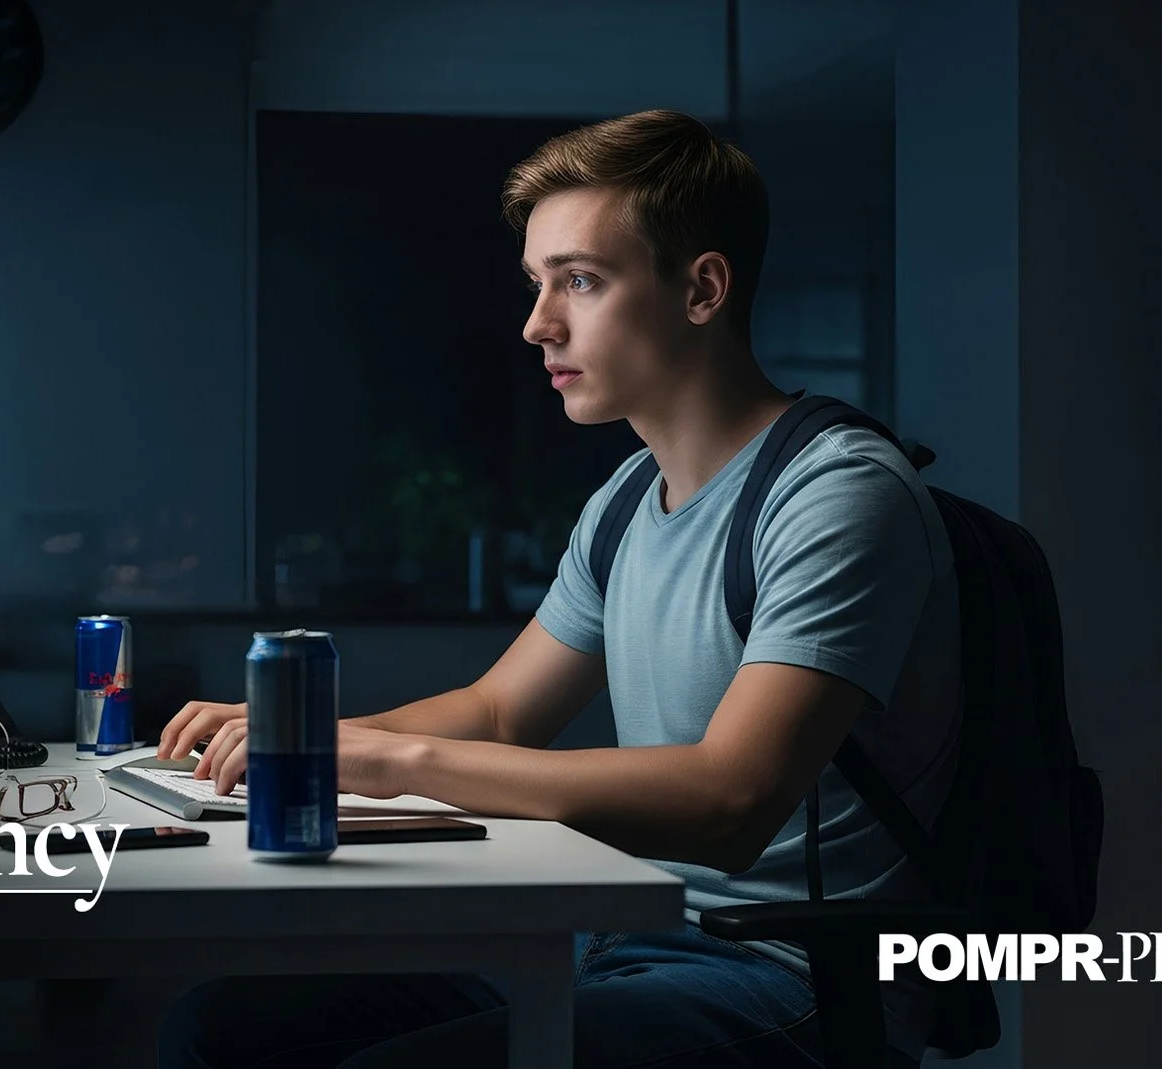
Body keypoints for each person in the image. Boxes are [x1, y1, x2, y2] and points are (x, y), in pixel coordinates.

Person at [153, 108, 962, 1069]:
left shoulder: (836, 492)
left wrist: (391, 761)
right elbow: (500, 709)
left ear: (702, 288)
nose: (538, 323)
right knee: (224, 1030)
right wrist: (296, 741)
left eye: (580, 280)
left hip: (785, 972)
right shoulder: (628, 496)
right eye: (537, 283)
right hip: (613, 933)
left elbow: (729, 800)